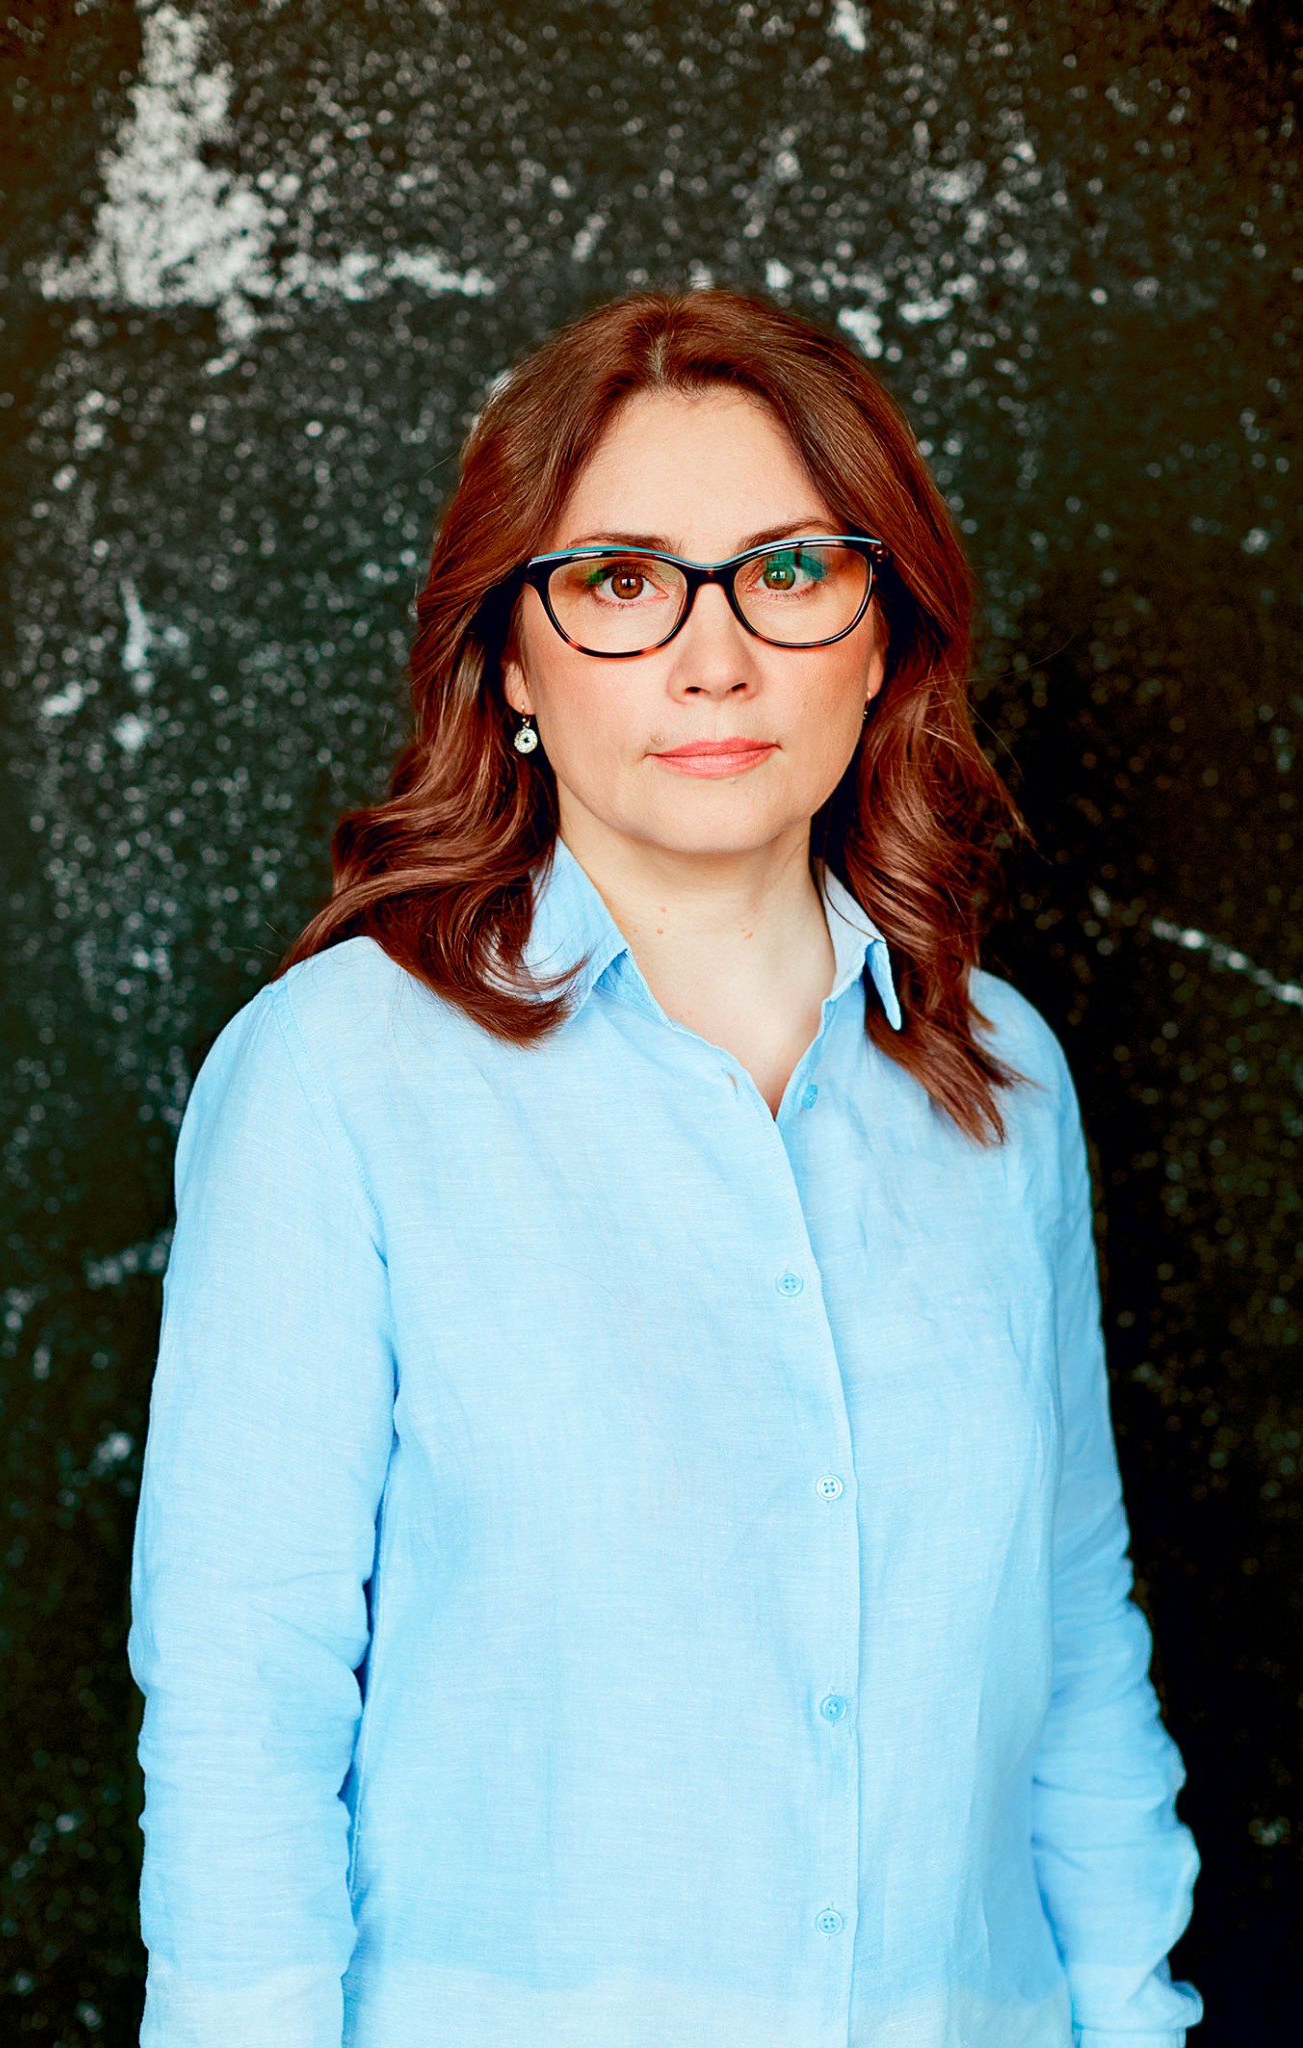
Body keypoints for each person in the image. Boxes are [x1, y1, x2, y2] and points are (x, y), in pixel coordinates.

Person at [127, 288, 1203, 2048]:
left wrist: (1133, 2017)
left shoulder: (1000, 1076)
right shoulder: (335, 1074)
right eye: (621, 583)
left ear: (882, 636)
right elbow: (244, 1698)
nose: (714, 660)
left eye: (788, 571)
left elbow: (1071, 1632)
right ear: (509, 659)